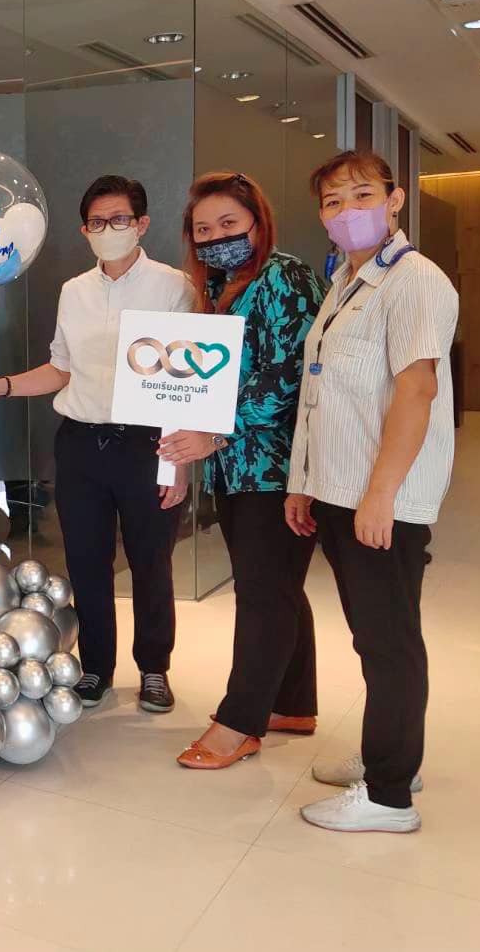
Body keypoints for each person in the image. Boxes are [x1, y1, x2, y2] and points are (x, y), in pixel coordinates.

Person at [289, 151, 457, 834]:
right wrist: (304, 485)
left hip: (380, 497)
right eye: (332, 201)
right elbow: (323, 394)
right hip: (338, 489)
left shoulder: (414, 280)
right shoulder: (344, 282)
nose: (347, 210)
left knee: (389, 642)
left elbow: (416, 390)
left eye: (361, 194)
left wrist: (381, 495)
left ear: (394, 199)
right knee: (373, 636)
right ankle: (390, 755)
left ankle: (389, 798)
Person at [0, 175, 194, 712]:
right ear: (84, 230)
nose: (108, 229)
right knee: (86, 563)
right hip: (80, 445)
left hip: (148, 446)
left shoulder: (174, 286)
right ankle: (97, 666)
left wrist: (179, 463)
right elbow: (61, 369)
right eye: (97, 222)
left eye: (119, 219)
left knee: (151, 563)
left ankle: (154, 668)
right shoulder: (73, 290)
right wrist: (3, 386)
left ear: (142, 224)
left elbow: (187, 378)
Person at [157, 172, 324, 769]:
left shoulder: (285, 276)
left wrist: (214, 431)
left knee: (261, 595)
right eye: (203, 230)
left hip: (277, 468)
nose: (216, 237)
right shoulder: (219, 286)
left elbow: (288, 379)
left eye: (229, 223)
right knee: (276, 586)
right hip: (233, 467)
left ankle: (240, 722)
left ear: (258, 222)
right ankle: (292, 704)